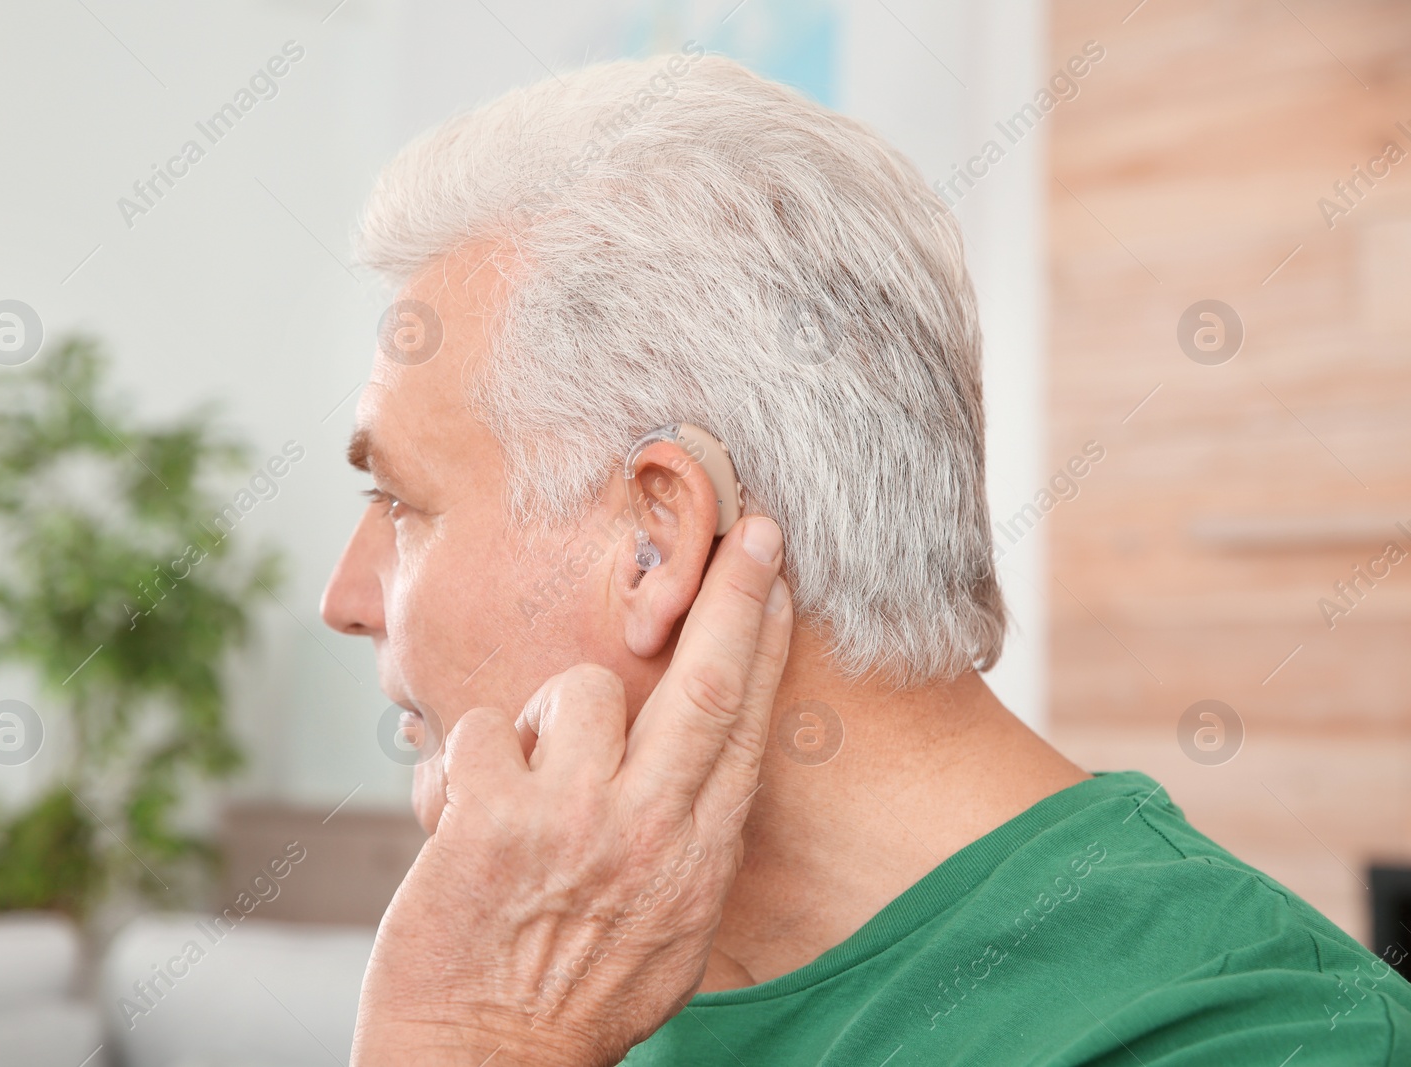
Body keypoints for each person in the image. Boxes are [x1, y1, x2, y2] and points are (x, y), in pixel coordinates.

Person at [320, 53, 1411, 1066]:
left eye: (399, 502)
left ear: (655, 540)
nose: (343, 597)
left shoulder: (1258, 1034)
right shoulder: (583, 966)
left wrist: (463, 1039)